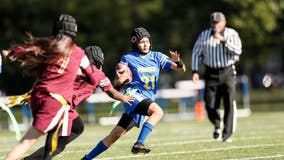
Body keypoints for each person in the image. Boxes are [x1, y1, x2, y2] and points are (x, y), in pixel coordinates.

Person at [2, 14, 99, 160]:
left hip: (37, 96)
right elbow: (93, 77)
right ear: (74, 29)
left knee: (52, 142)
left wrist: (8, 53)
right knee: (30, 142)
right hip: (54, 103)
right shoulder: (78, 53)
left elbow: (17, 52)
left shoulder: (47, 45)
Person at [81, 26, 186, 160]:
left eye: (147, 41)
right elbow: (116, 85)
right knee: (158, 112)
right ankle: (139, 143)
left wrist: (178, 61)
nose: (145, 44)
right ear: (135, 43)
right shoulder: (127, 58)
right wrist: (119, 81)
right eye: (142, 42)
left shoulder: (157, 57)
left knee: (113, 137)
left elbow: (181, 69)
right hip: (134, 96)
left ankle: (86, 159)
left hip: (146, 99)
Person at [22, 45, 134, 160]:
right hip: (62, 107)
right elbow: (112, 92)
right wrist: (124, 97)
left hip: (57, 104)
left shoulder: (71, 67)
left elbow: (46, 76)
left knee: (77, 127)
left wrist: (33, 93)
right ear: (99, 59)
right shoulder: (97, 74)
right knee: (58, 146)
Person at [191, 11, 242, 142]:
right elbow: (196, 53)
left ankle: (227, 134)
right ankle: (217, 124)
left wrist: (223, 41)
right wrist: (195, 71)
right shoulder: (204, 35)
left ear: (224, 22)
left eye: (217, 22)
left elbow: (238, 50)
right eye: (213, 22)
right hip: (210, 72)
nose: (215, 24)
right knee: (209, 103)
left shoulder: (232, 34)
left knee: (229, 103)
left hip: (228, 71)